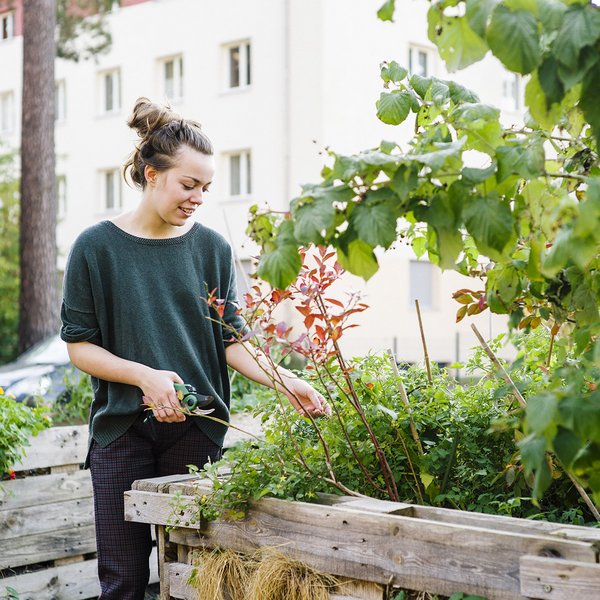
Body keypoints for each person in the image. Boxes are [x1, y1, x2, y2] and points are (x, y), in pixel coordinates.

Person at [60, 97, 330, 600]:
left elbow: (231, 341)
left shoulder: (212, 248)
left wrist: (285, 379)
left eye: (206, 187)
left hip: (197, 432)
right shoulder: (95, 247)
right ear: (151, 173)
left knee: (194, 578)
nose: (198, 197)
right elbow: (79, 346)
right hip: (121, 432)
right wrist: (146, 376)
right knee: (122, 581)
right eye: (189, 184)